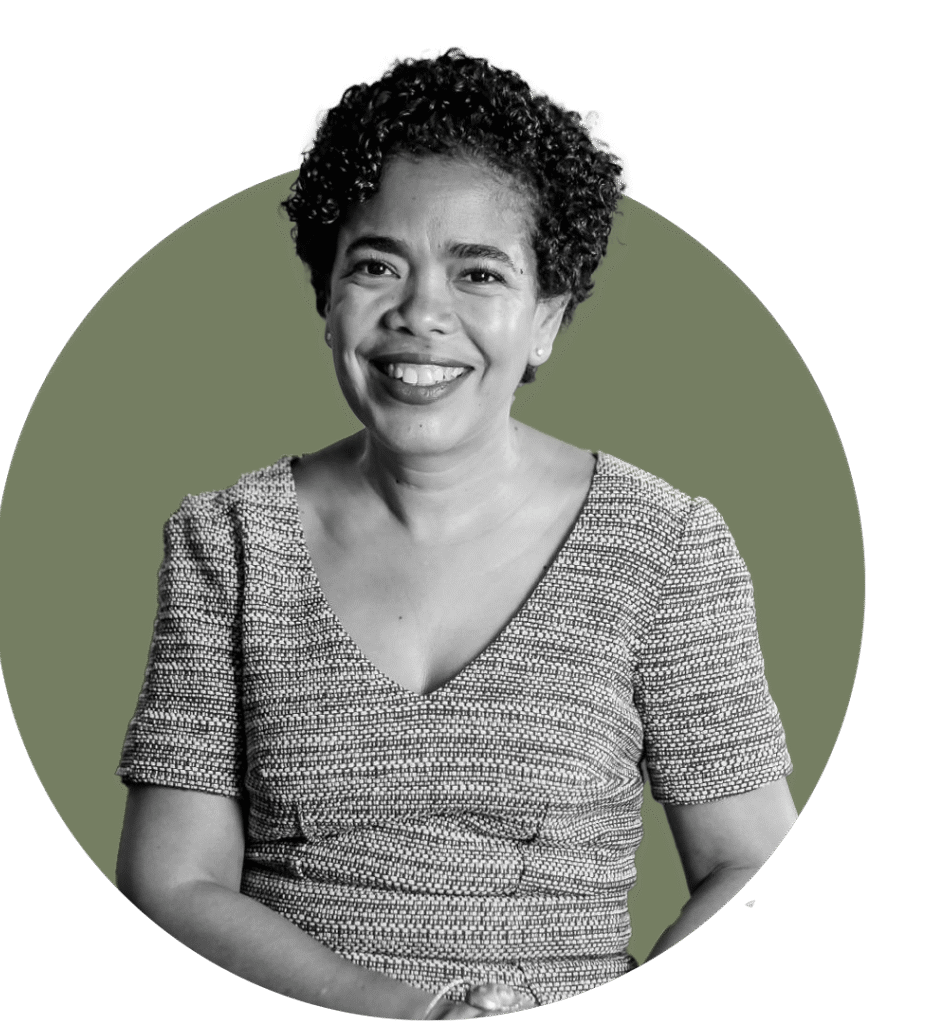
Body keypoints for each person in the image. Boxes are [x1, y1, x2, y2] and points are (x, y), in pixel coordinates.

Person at [115, 47, 797, 1018]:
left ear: (545, 319)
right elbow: (172, 882)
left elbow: (750, 860)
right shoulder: (227, 541)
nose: (421, 314)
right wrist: (412, 1010)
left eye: (478, 272)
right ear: (327, 299)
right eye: (376, 265)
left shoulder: (665, 545)